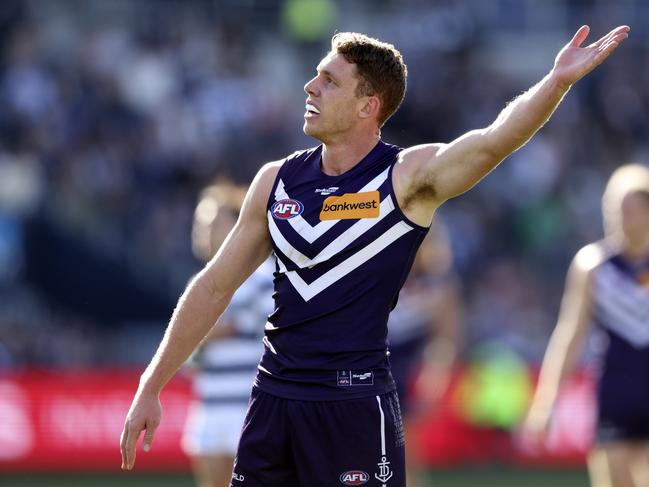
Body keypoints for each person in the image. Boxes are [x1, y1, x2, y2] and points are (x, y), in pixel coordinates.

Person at [120, 25, 630, 486]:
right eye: (315, 77)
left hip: (354, 405)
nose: (309, 87)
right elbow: (213, 286)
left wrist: (556, 83)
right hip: (273, 400)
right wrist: (152, 382)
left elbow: (494, 141)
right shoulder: (274, 182)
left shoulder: (406, 179)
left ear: (369, 105)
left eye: (328, 81)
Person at [525, 164, 649, 487]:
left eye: (629, 210)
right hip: (615, 392)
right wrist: (546, 401)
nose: (619, 218)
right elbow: (570, 334)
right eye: (613, 208)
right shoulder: (593, 266)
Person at [181, 181, 274, 487]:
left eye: (212, 222)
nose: (202, 229)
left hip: (247, 408)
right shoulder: (200, 283)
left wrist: (200, 336)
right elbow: (190, 356)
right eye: (199, 222)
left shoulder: (262, 276)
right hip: (210, 405)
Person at [386, 221, 462, 486]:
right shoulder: (377, 274)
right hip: (368, 365)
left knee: (404, 453)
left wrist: (436, 373)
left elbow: (445, 339)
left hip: (405, 372)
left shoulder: (440, 286)